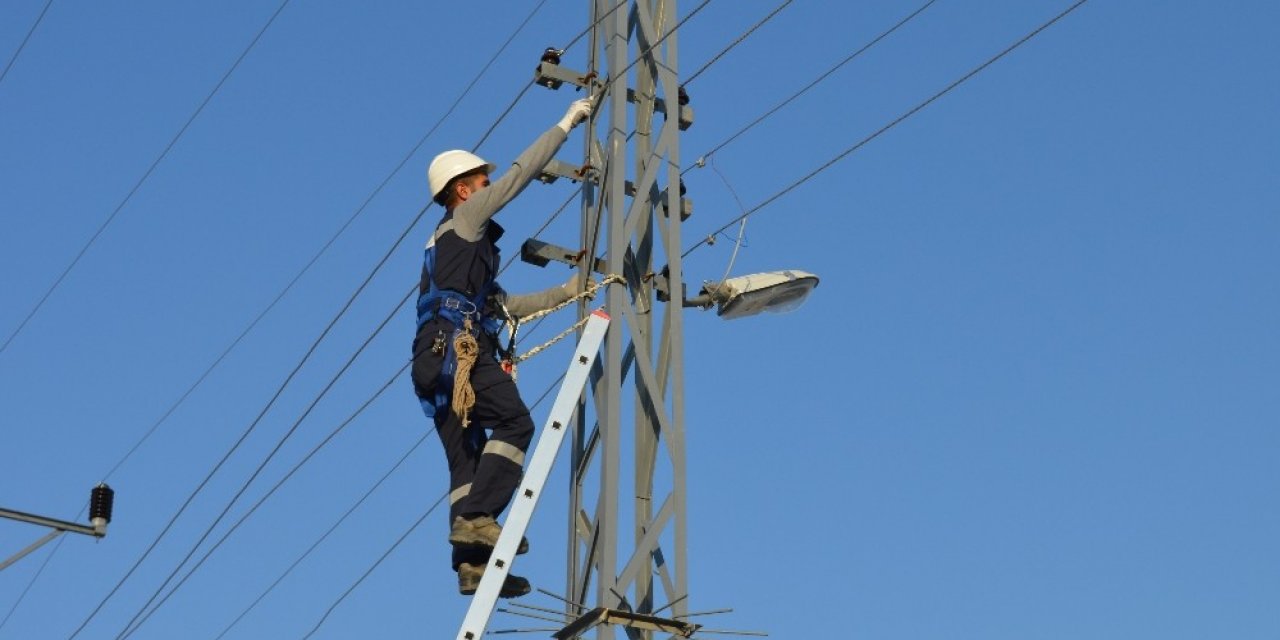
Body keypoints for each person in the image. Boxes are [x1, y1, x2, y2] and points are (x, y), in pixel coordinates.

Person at [412, 96, 594, 598]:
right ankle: (475, 518)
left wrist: (572, 289)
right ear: (462, 189)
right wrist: (565, 123)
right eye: (481, 183)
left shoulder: (449, 254)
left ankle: (469, 564)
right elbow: (521, 172)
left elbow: (507, 304)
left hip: (432, 358)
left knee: (466, 461)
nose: (489, 189)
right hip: (458, 350)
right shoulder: (466, 218)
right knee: (515, 422)